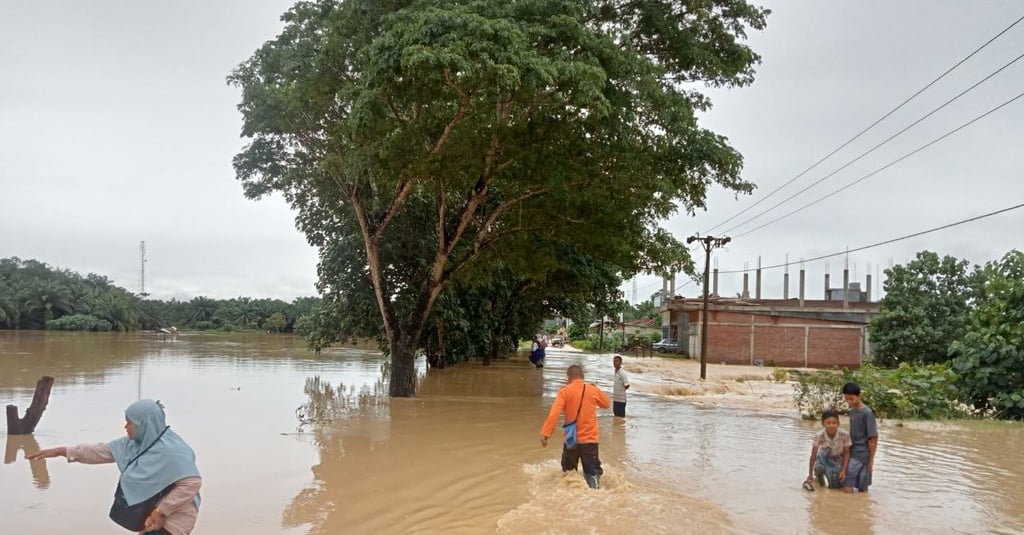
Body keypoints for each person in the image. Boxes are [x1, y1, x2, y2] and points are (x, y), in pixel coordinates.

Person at [28, 399, 202, 534]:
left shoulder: (173, 451)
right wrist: (60, 451)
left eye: (130, 423)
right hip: (148, 510)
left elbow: (192, 483)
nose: (125, 427)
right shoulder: (134, 445)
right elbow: (98, 451)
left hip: (176, 515)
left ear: (144, 425)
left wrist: (161, 510)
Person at [540, 364, 611, 489]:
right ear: (582, 377)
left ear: (569, 377)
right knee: (592, 474)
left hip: (571, 439)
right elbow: (606, 404)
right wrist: (596, 388)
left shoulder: (565, 391)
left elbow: (554, 414)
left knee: (569, 474)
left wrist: (546, 434)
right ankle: (595, 498)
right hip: (590, 440)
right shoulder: (592, 389)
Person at [842, 382, 878, 492]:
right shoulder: (853, 411)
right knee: (862, 486)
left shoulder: (867, 413)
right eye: (846, 399)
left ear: (859, 396)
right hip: (853, 450)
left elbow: (873, 438)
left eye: (851, 399)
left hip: (862, 454)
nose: (848, 402)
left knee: (847, 484)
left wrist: (871, 461)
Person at [803, 408, 851, 491]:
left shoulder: (844, 435)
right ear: (823, 424)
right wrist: (810, 474)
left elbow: (847, 453)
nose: (831, 425)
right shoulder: (819, 435)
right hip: (823, 458)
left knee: (834, 487)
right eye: (828, 423)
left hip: (837, 460)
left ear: (838, 423)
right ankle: (819, 480)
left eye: (834, 423)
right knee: (819, 468)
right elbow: (813, 455)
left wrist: (843, 470)